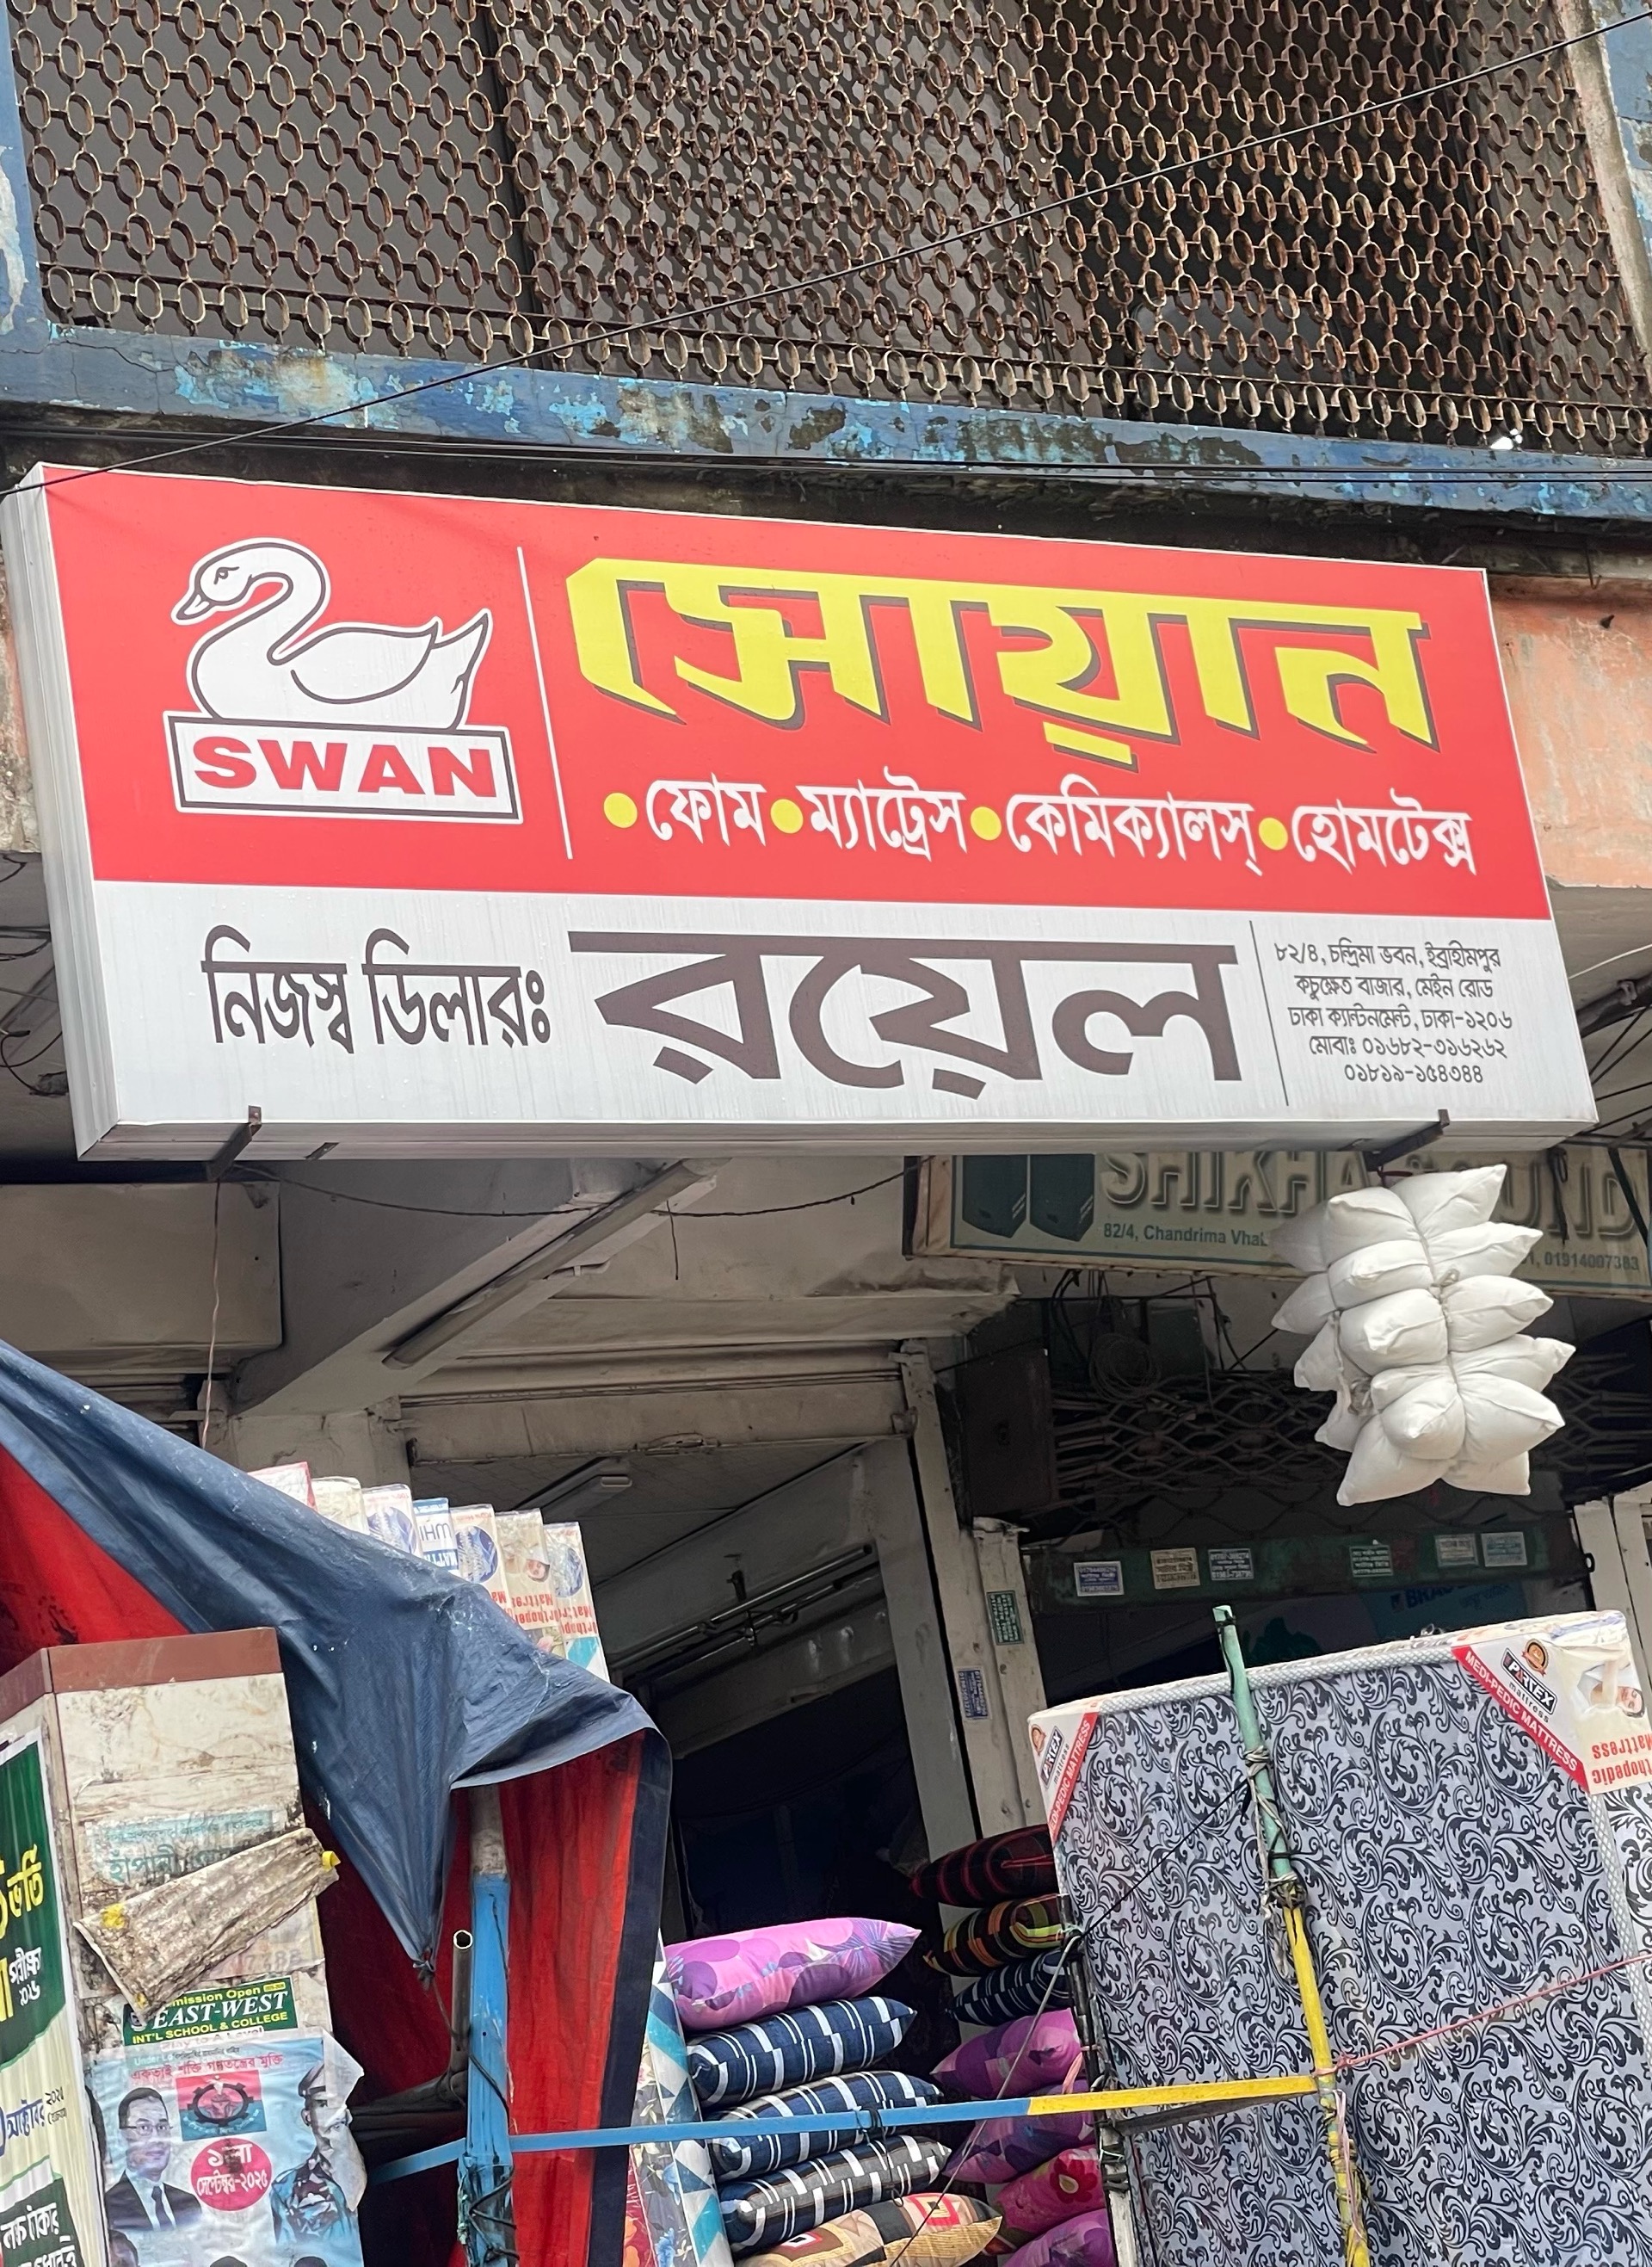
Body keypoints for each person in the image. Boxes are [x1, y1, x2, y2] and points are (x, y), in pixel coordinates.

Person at [267, 2066, 349, 2244]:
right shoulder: (286, 2188)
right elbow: (289, 2249)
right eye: (323, 2104)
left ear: (347, 2115)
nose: (334, 2115)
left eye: (338, 2104)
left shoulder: (372, 2158)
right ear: (307, 2116)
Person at [104, 2086, 202, 2233]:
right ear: (122, 2138)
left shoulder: (188, 2204)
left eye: (162, 2127)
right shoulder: (110, 2206)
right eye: (144, 2128)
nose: (157, 2139)